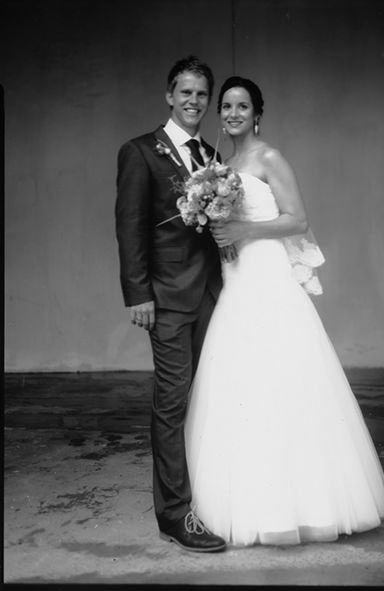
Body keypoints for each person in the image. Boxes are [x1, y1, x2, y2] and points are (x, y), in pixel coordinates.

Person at [184, 76, 384, 546]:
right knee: (241, 380)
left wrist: (242, 232)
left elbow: (298, 219)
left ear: (257, 113)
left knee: (282, 375)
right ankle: (247, 501)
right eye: (226, 106)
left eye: (242, 106)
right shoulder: (220, 167)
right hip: (237, 279)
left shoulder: (269, 158)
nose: (233, 114)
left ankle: (303, 506)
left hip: (268, 275)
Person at [115, 56, 226, 553]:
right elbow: (130, 228)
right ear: (169, 95)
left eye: (201, 94)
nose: (194, 101)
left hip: (212, 296)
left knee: (208, 397)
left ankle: (212, 496)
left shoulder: (210, 155)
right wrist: (137, 293)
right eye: (185, 92)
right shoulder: (141, 151)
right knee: (173, 401)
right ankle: (175, 514)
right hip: (166, 297)